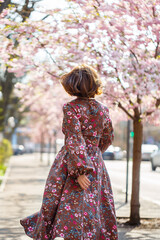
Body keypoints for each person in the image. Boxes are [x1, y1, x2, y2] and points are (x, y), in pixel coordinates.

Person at [20, 64, 118, 240]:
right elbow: (108, 138)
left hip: (72, 165)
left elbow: (74, 139)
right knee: (91, 209)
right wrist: (94, 153)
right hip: (95, 164)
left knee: (69, 208)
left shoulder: (71, 108)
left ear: (73, 86)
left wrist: (80, 170)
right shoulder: (103, 110)